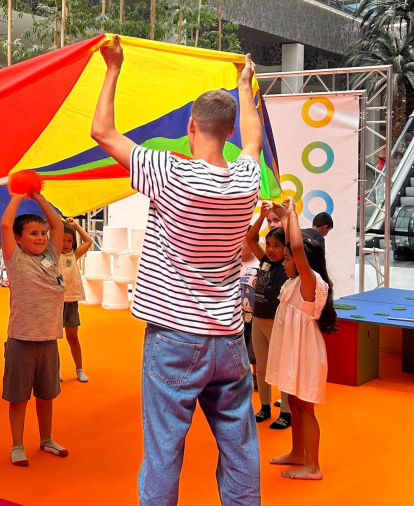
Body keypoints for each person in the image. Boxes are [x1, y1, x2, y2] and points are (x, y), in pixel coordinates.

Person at [91, 36, 263, 504]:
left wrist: (113, 69)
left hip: (173, 338)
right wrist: (246, 87)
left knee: (164, 449)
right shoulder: (248, 178)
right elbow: (253, 139)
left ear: (191, 127)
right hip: (228, 338)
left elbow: (102, 132)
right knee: (241, 448)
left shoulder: (169, 172)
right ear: (226, 132)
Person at [266, 199, 337, 480]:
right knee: (294, 405)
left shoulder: (311, 283)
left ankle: (313, 466)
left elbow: (297, 248)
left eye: (286, 258)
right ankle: (298, 452)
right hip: (293, 353)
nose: (283, 262)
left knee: (306, 409)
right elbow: (293, 248)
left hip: (305, 356)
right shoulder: (293, 283)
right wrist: (283, 221)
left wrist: (291, 216)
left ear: (302, 260)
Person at [0, 189, 68, 467]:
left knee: (46, 394)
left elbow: (58, 225)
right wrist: (17, 195)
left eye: (42, 233)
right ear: (18, 239)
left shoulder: (50, 255)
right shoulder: (15, 259)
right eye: (33, 233)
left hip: (49, 339)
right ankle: (17, 444)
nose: (41, 237)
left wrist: (39, 197)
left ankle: (46, 438)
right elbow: (5, 224)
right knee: (18, 398)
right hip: (21, 341)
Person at [245, 210, 291, 429]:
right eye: (269, 244)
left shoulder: (288, 267)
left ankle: (286, 412)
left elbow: (294, 243)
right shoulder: (264, 259)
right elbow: (250, 239)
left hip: (277, 323)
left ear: (286, 248)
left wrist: (285, 218)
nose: (271, 250)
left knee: (281, 368)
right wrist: (262, 217)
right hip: (258, 320)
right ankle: (264, 407)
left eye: (277, 246)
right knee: (261, 367)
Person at [61, 218, 93, 383]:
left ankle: (79, 368)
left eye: (69, 240)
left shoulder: (73, 255)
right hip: (54, 302)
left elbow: (88, 241)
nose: (66, 244)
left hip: (71, 301)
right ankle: (54, 369)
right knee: (52, 339)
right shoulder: (50, 256)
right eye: (62, 240)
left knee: (73, 337)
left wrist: (76, 227)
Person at [239, 238, 259, 390]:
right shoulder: (234, 266)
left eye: (243, 242)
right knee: (241, 348)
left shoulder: (258, 265)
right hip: (237, 317)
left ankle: (257, 376)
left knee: (255, 350)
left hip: (255, 316)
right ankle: (242, 377)